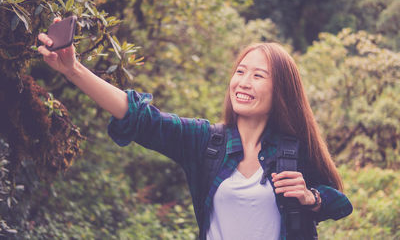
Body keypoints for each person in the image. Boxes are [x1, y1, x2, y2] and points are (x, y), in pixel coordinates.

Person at [37, 17, 352, 240]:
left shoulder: (292, 151)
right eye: (240, 71)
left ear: (281, 89)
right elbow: (141, 118)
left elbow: (341, 203)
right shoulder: (206, 142)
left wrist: (312, 197)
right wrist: (73, 69)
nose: (243, 81)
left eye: (259, 75)